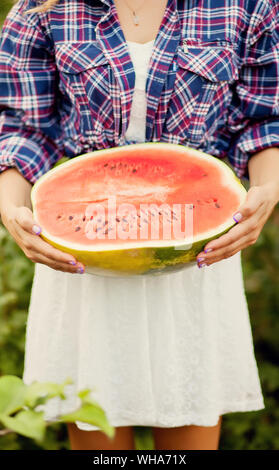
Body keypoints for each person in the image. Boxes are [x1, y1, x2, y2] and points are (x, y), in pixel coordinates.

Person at [0, 0, 279, 451]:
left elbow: (265, 120)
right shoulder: (40, 10)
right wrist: (11, 209)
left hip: (197, 255)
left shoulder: (248, 7)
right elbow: (25, 130)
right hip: (87, 257)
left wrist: (269, 188)